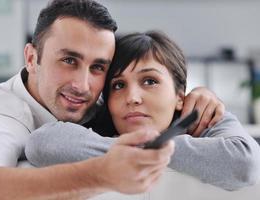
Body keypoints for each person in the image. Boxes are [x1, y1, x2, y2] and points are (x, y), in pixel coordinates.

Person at [0, 0, 226, 199]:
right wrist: (99, 174)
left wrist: (203, 95)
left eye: (98, 67)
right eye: (68, 60)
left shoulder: (100, 100)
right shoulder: (4, 115)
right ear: (32, 59)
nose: (82, 85)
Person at [25, 31, 260, 191]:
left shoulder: (204, 116)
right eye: (118, 85)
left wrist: (139, 148)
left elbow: (244, 164)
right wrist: (137, 148)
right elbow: (42, 144)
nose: (132, 98)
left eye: (149, 81)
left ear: (180, 96)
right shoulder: (99, 119)